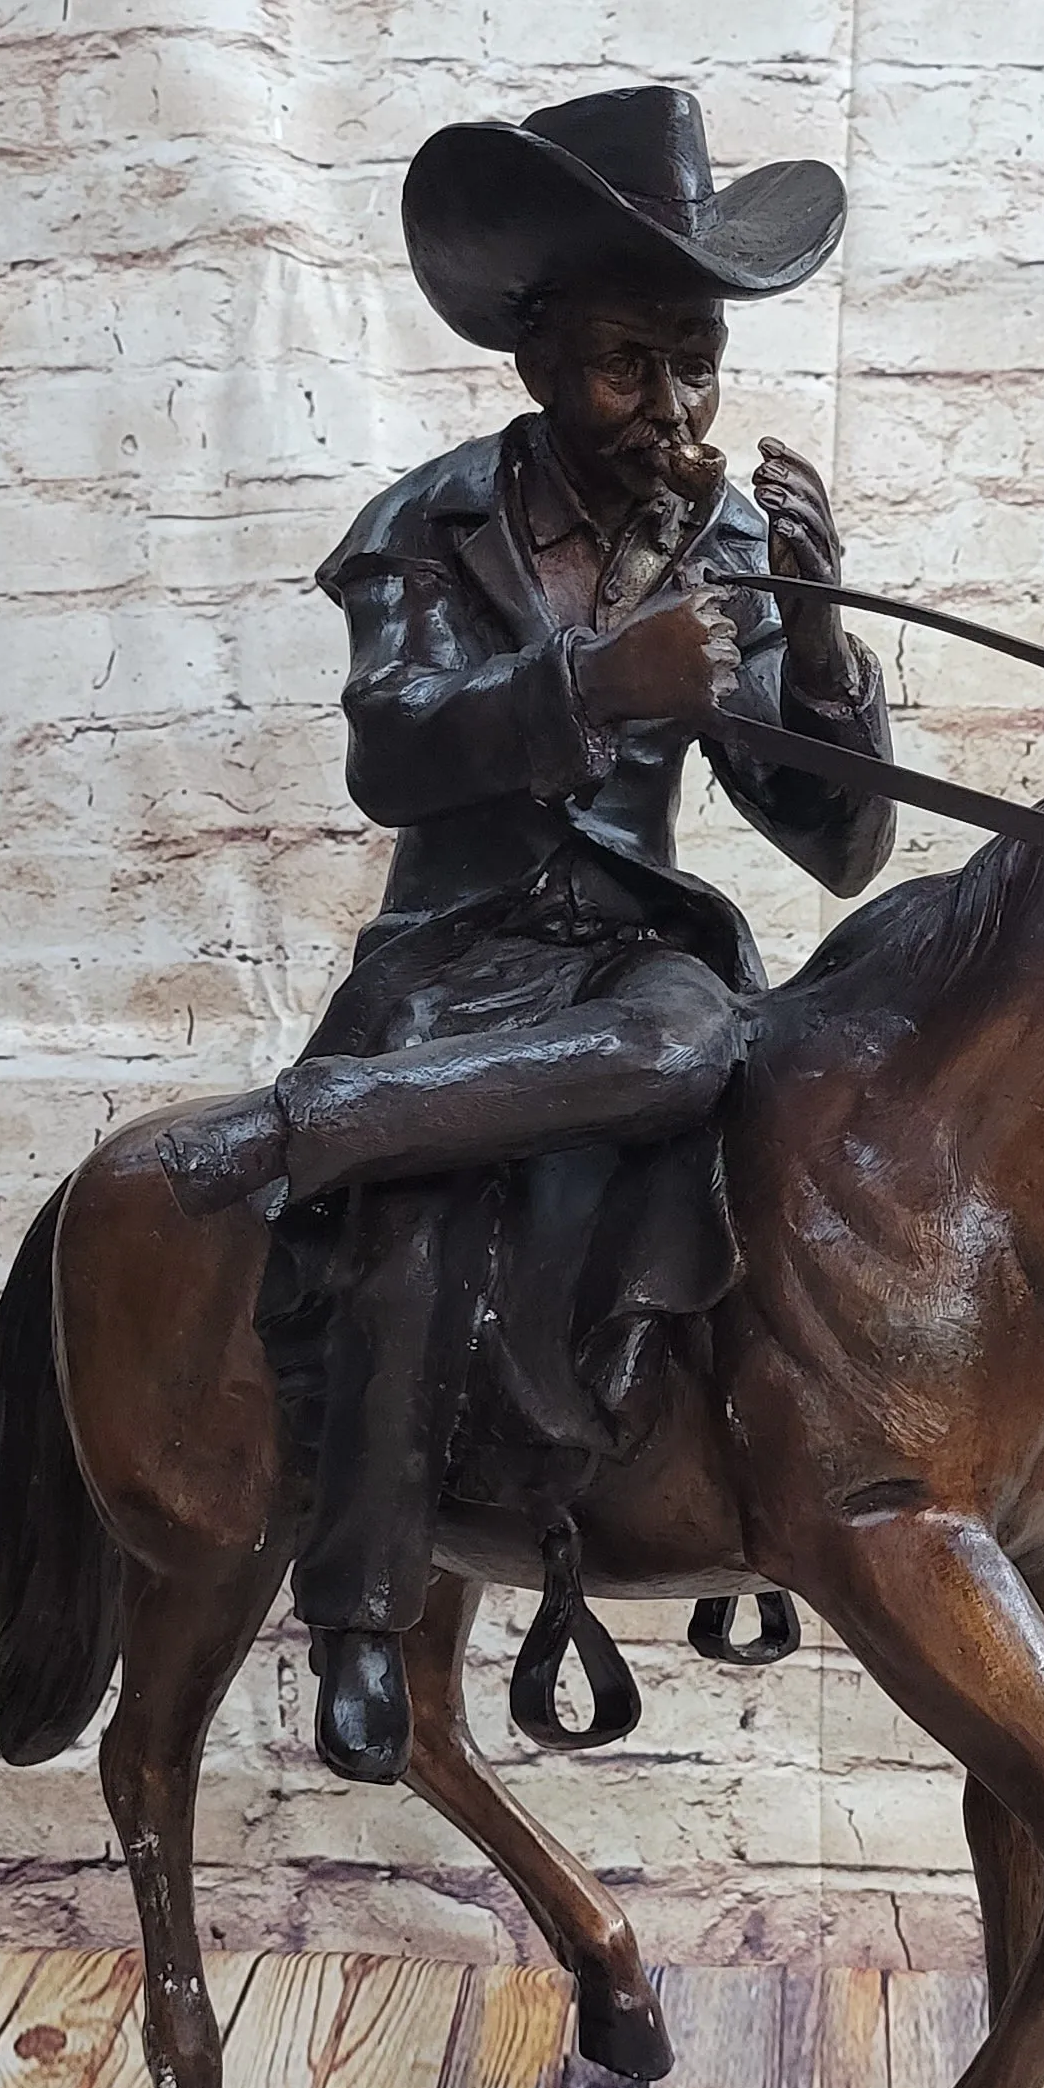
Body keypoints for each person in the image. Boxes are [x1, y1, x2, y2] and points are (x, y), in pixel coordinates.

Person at [160, 86, 892, 1780]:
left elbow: (840, 843)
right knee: (416, 1221)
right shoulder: (427, 526)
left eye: (696, 361)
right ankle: (357, 1612)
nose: (672, 407)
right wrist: (595, 684)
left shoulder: (724, 542)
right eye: (630, 363)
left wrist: (825, 644)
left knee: (708, 1045)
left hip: (635, 962)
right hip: (454, 954)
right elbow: (389, 755)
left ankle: (305, 1130)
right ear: (537, 354)